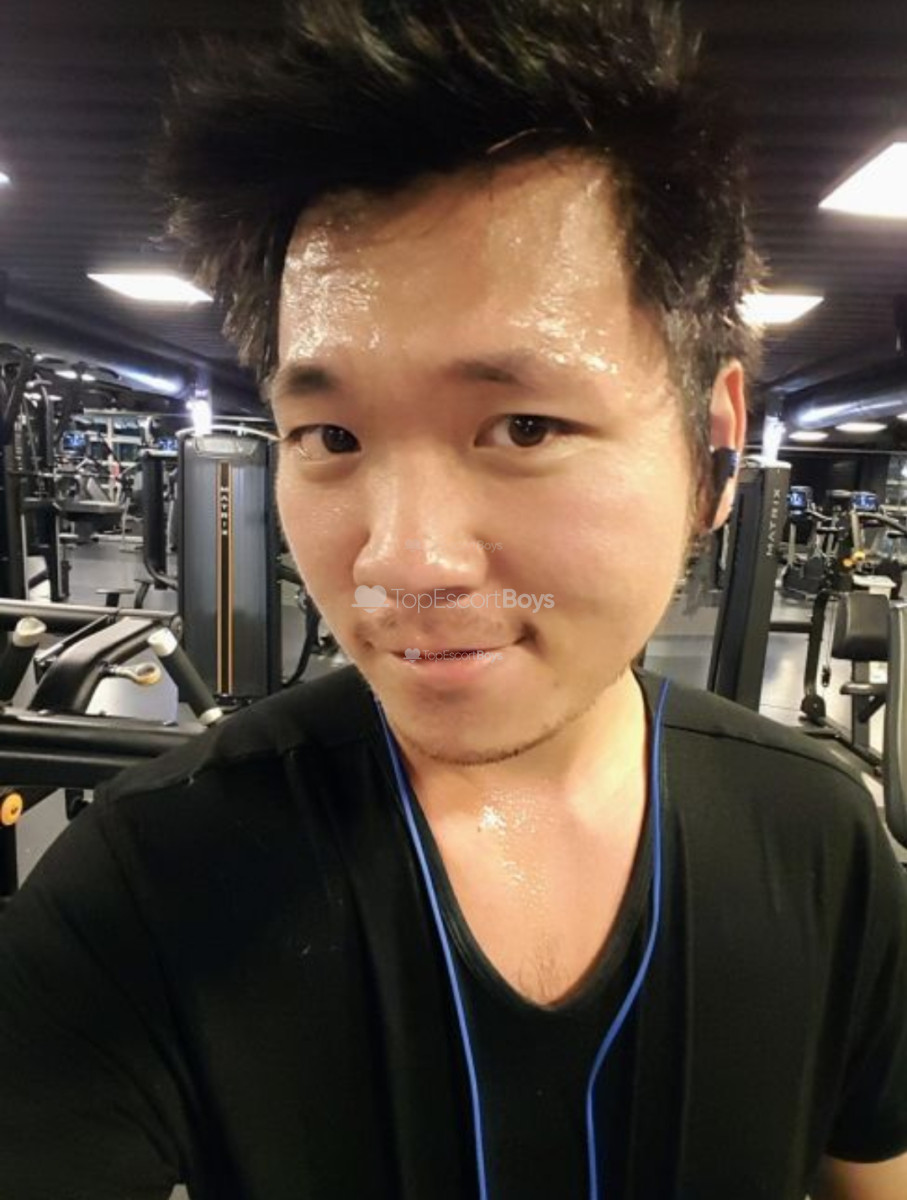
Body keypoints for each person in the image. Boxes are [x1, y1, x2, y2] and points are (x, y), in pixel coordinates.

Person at [1, 1, 906, 1197]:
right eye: (331, 436)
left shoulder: (820, 838)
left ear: (715, 445)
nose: (405, 562)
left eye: (523, 426)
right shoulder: (143, 882)